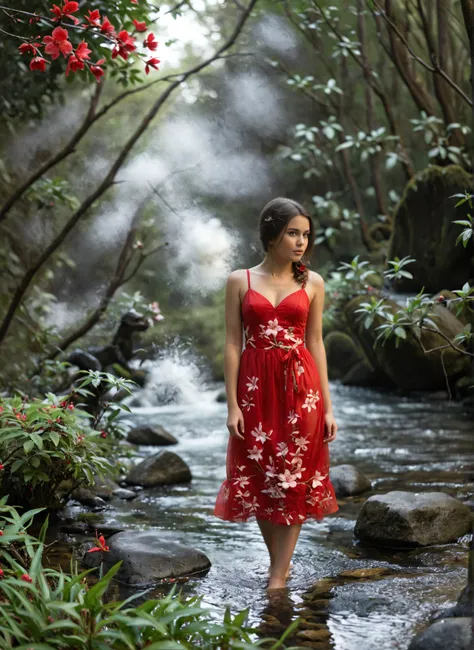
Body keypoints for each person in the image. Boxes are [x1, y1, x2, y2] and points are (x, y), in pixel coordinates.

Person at [213, 197, 338, 590]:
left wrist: (329, 408)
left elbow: (315, 343)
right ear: (271, 235)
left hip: (302, 389)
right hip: (254, 389)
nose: (301, 242)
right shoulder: (240, 280)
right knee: (263, 475)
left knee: (294, 478)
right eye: (292, 233)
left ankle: (278, 576)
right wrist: (232, 404)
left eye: (305, 234)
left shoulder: (312, 282)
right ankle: (277, 564)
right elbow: (233, 344)